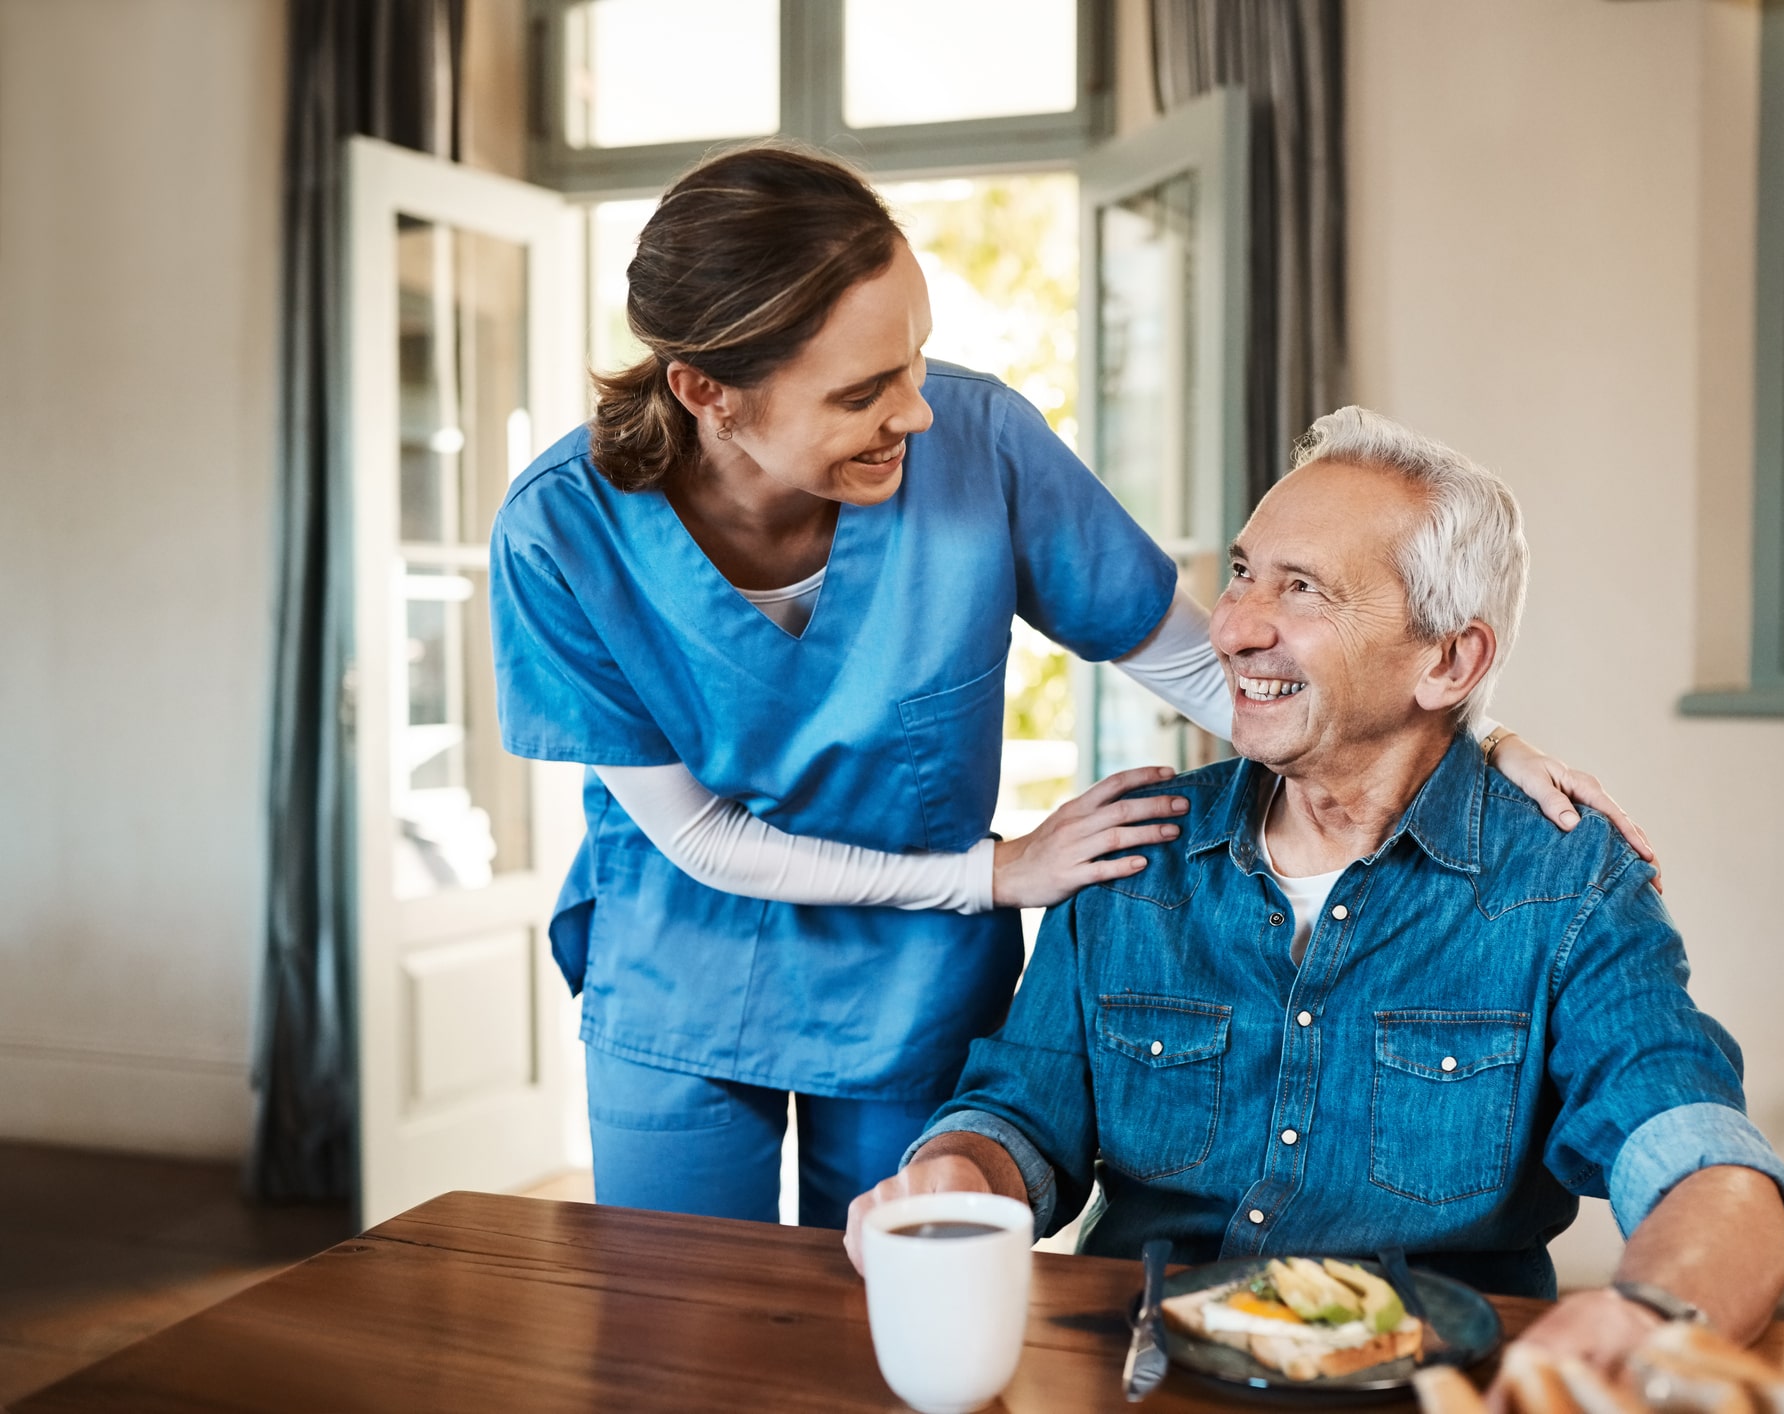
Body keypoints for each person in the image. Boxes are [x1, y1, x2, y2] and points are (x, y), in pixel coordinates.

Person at [489, 144, 1651, 1230]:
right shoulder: (560, 533)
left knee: (895, 1304)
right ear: (707, 392)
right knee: (673, 1323)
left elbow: (1215, 666)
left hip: (908, 988)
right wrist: (997, 870)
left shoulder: (982, 444)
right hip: (683, 966)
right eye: (861, 393)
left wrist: (1469, 741)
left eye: (914, 358)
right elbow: (700, 836)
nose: (916, 410)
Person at [844, 407, 1784, 1377]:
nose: (1230, 626)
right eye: (1242, 571)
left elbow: (1697, 1156)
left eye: (1300, 590)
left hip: (1432, 1388)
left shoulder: (1566, 880)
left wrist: (1645, 1316)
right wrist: (952, 1175)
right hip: (1146, 1380)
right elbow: (1020, 1117)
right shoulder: (1138, 850)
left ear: (1448, 661)